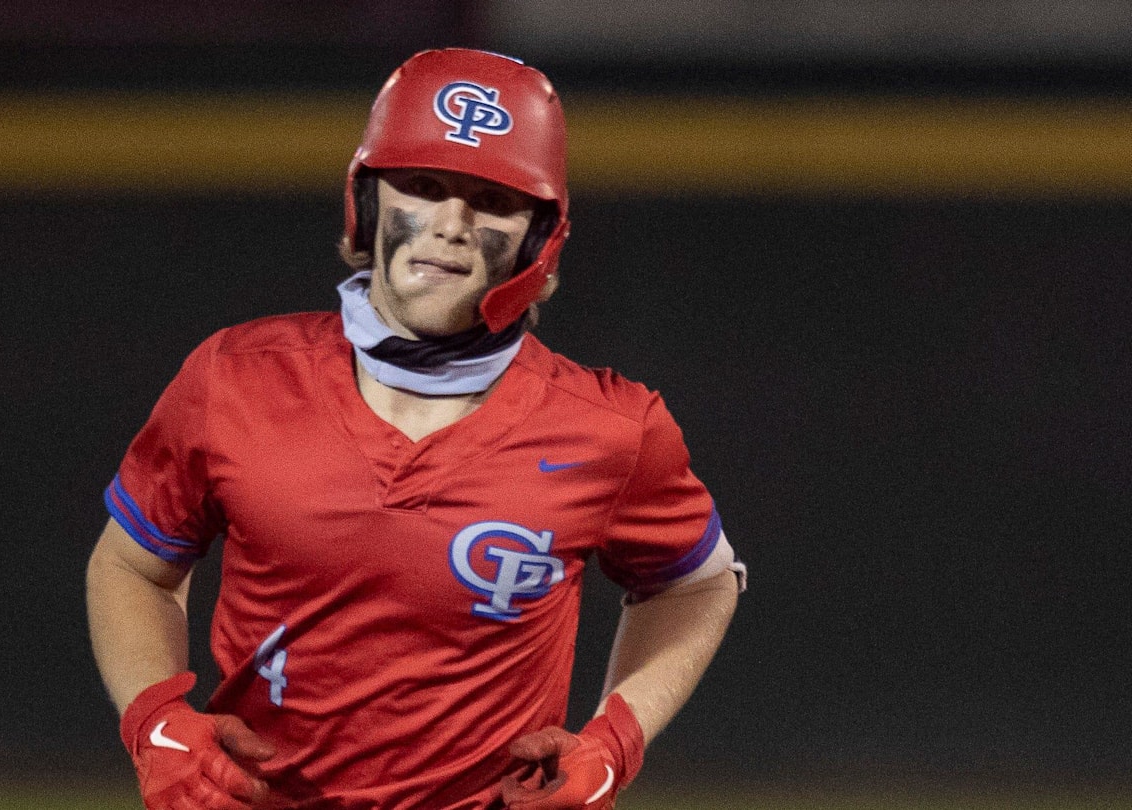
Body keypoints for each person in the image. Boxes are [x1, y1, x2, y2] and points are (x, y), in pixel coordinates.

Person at [86, 47, 747, 810]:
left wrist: (615, 741)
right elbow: (133, 566)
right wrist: (156, 720)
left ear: (542, 236)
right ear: (367, 204)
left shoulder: (611, 431)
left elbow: (697, 586)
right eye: (423, 187)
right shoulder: (234, 377)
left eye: (492, 200)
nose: (450, 225)